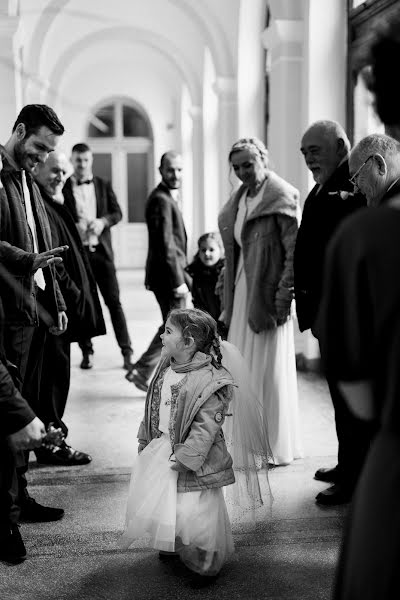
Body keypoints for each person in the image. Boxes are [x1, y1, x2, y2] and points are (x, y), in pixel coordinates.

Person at [315, 132, 400, 598]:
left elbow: (352, 375)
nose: (354, 186)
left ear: (379, 165)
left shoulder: (368, 234)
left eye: (357, 176)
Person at [119, 308, 234, 578]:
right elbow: (153, 407)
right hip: (163, 448)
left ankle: (204, 562)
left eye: (168, 331)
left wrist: (187, 457)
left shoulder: (208, 380)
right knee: (165, 502)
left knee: (194, 511)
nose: (161, 334)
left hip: (194, 459)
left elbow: (206, 425)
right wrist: (146, 437)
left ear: (188, 342)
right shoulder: (166, 368)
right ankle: (172, 541)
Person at [294, 119, 372, 505]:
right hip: (326, 313)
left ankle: (355, 478)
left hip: (343, 314)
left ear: (342, 146)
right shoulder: (322, 185)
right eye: (305, 152)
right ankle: (346, 463)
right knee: (338, 399)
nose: (309, 159)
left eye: (315, 151)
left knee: (349, 401)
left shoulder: (353, 186)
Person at [0, 105, 67, 523]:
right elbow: (30, 254)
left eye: (48, 152)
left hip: (34, 311)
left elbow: (46, 246)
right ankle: (5, 515)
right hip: (7, 309)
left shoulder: (28, 178)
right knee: (10, 414)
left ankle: (20, 495)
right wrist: (27, 260)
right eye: (39, 147)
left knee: (27, 404)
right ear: (19, 131)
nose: (42, 158)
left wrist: (56, 303)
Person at [218, 137, 302, 466]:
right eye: (236, 167)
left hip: (265, 295)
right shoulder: (240, 200)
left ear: (262, 159)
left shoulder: (282, 195)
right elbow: (234, 251)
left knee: (267, 372)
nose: (242, 172)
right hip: (241, 293)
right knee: (242, 369)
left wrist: (283, 298)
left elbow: (294, 255)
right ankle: (246, 442)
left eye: (248, 164)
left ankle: (271, 445)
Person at [33, 150, 106, 466]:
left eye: (64, 172)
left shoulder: (53, 202)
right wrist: (72, 297)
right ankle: (51, 441)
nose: (61, 176)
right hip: (52, 308)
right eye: (55, 171)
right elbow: (52, 262)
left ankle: (50, 435)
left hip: (61, 305)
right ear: (36, 170)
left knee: (56, 374)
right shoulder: (40, 205)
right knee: (52, 375)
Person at [63, 142, 133, 371]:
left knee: (114, 302)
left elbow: (118, 213)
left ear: (90, 161)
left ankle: (127, 352)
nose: (81, 164)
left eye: (85, 160)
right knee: (83, 304)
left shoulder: (103, 185)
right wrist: (74, 226)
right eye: (78, 160)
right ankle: (87, 352)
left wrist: (102, 222)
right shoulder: (63, 188)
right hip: (79, 256)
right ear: (72, 161)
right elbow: (60, 219)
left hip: (102, 253)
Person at [128, 151, 191, 392]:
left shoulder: (166, 197)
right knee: (174, 327)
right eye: (170, 170)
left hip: (169, 274)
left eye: (179, 169)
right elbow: (165, 243)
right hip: (167, 277)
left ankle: (143, 370)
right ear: (161, 170)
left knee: (172, 325)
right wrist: (178, 281)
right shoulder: (160, 200)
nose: (175, 174)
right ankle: (144, 371)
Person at [185, 232, 226, 337]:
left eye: (211, 250)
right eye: (203, 250)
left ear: (221, 251)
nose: (207, 253)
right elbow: (197, 301)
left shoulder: (224, 273)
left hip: (224, 322)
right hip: (206, 324)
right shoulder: (197, 272)